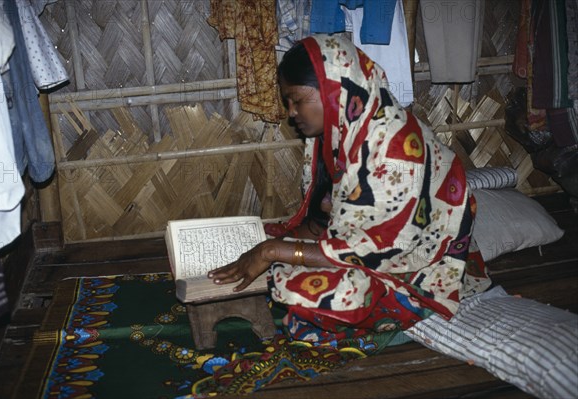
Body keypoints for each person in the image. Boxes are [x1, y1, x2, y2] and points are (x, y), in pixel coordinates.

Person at [209, 34, 491, 343]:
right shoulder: (340, 134)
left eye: (297, 100)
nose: (291, 112)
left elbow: (372, 250)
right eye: (287, 102)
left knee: (310, 287)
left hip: (417, 270)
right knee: (270, 248)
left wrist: (272, 251)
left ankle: (399, 311)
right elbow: (327, 223)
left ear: (336, 89)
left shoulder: (394, 149)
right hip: (359, 250)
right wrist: (262, 244)